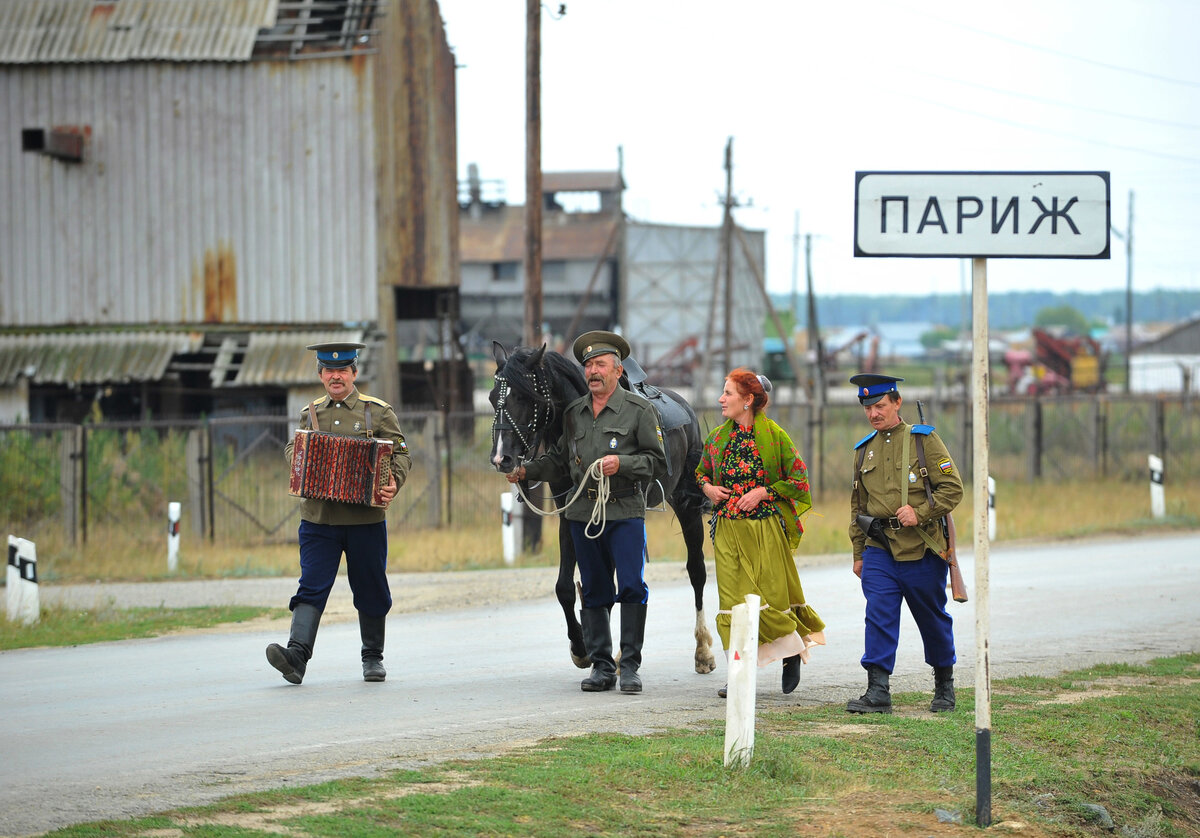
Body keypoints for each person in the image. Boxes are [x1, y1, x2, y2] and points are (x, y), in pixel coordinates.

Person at [506, 330, 666, 694]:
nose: (593, 371)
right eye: (589, 365)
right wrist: (526, 471)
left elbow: (657, 462)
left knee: (630, 587)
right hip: (582, 515)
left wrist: (621, 464)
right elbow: (559, 459)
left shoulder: (640, 410)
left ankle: (629, 666)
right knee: (593, 590)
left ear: (618, 370)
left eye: (601, 365)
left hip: (624, 512)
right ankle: (601, 666)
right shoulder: (574, 413)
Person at [268, 342, 412, 685]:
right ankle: (296, 657)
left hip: (366, 522)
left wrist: (394, 481)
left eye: (343, 370)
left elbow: (403, 453)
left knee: (371, 588)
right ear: (320, 375)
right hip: (319, 520)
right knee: (311, 586)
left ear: (354, 373)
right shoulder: (310, 412)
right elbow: (294, 446)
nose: (336, 376)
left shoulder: (377, 412)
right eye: (329, 371)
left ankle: (372, 657)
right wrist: (300, 462)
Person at [695, 369, 825, 698]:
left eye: (728, 393)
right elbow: (700, 473)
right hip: (726, 530)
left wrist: (764, 492)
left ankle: (792, 651)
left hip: (764, 529)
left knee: (770, 599)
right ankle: (738, 673)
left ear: (748, 400)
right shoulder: (717, 439)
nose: (721, 399)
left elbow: (799, 481)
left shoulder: (775, 437)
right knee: (733, 603)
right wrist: (709, 489)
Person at [846, 373, 963, 714]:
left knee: (932, 619)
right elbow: (858, 507)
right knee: (878, 615)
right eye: (868, 408)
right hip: (880, 548)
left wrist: (922, 512)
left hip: (922, 548)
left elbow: (953, 489)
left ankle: (944, 684)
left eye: (880, 406)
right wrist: (858, 553)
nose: (874, 414)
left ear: (897, 403)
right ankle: (878, 690)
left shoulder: (923, 440)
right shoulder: (863, 450)